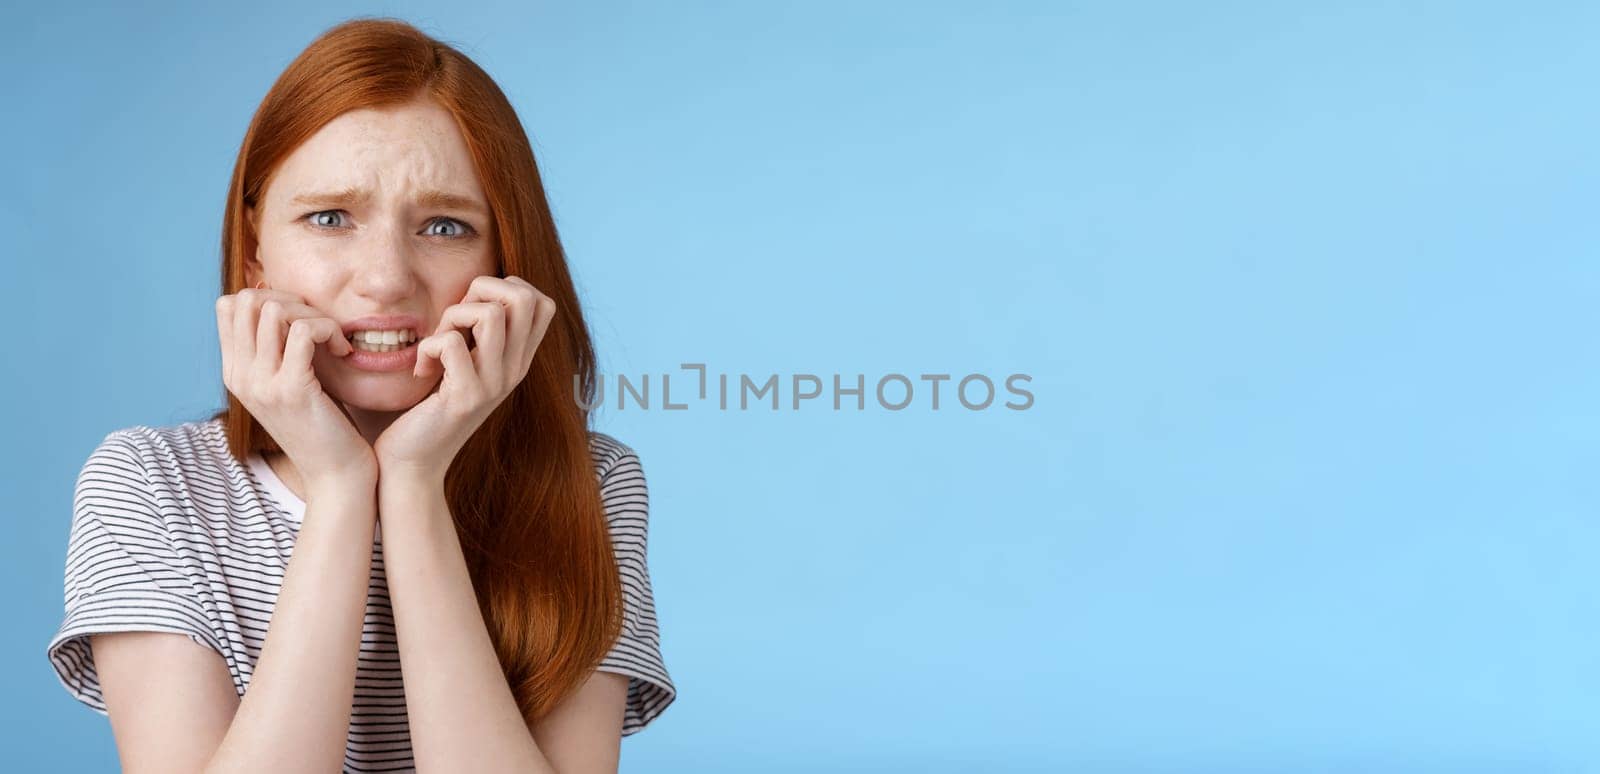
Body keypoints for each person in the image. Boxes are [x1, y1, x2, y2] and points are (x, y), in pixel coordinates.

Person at [44, 17, 675, 773]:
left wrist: (412, 485)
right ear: (254, 253)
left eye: (445, 226)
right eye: (330, 218)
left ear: (506, 260)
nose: (385, 279)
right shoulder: (148, 486)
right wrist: (343, 488)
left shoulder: (591, 486)